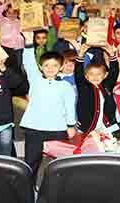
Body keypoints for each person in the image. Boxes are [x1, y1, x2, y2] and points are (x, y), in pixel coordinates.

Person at [20, 38, 76, 174]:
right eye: (46, 65)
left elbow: (70, 107)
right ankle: (29, 190)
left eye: (55, 66)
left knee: (58, 165)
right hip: (34, 128)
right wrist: (28, 43)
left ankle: (56, 191)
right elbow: (28, 63)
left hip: (58, 129)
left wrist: (70, 126)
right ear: (40, 67)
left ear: (61, 67)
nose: (50, 69)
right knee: (31, 162)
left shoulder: (66, 86)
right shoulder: (35, 79)